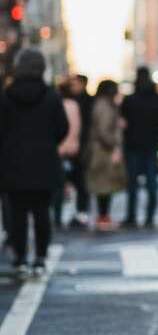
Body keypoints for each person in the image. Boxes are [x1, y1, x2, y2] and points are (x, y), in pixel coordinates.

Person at [0, 48, 69, 278]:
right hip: (44, 164)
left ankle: (19, 258)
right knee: (42, 213)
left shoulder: (6, 96)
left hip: (13, 166)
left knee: (16, 215)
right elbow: (62, 129)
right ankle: (40, 257)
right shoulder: (51, 97)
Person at [119, 66, 158, 228]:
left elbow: (123, 122)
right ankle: (150, 217)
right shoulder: (157, 99)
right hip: (151, 145)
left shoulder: (130, 100)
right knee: (152, 183)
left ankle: (132, 216)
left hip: (133, 146)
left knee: (133, 184)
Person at [85, 79, 125, 230]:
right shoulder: (104, 106)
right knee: (104, 185)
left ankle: (104, 217)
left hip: (101, 150)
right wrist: (113, 144)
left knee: (104, 185)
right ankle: (103, 218)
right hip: (102, 152)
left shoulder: (102, 104)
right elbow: (103, 130)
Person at [53, 80, 82, 227]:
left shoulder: (55, 104)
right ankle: (73, 213)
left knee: (58, 184)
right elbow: (76, 127)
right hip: (72, 148)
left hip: (57, 149)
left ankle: (57, 216)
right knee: (73, 182)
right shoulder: (73, 105)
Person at [68, 74, 93, 227]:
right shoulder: (72, 100)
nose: (73, 86)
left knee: (82, 181)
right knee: (76, 180)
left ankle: (81, 211)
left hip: (82, 146)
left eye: (75, 83)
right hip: (74, 146)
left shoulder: (86, 101)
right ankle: (79, 211)